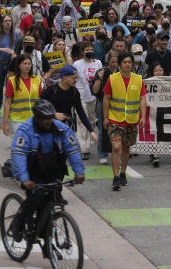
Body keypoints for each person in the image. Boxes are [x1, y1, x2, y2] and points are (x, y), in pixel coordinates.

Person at [8, 100, 86, 244]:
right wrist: (25, 180)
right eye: (45, 119)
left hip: (54, 170)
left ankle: (45, 239)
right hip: (33, 172)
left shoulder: (62, 129)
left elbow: (73, 149)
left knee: (52, 199)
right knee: (36, 197)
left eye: (50, 118)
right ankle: (17, 223)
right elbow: (18, 155)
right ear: (36, 118)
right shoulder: (25, 131)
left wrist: (79, 172)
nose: (48, 122)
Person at [102, 52, 147, 191]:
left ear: (132, 64)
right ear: (119, 64)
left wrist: (143, 117)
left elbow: (143, 99)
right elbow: (106, 99)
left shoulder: (138, 79)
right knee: (116, 147)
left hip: (132, 120)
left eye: (129, 62)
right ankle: (115, 177)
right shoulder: (112, 78)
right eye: (124, 62)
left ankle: (123, 173)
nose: (127, 64)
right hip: (115, 119)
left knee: (126, 148)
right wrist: (105, 117)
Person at [42, 65, 99, 146]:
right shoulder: (51, 90)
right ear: (64, 78)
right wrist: (54, 114)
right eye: (73, 78)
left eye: (77, 77)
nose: (76, 80)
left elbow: (81, 112)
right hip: (50, 128)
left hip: (66, 128)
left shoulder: (74, 92)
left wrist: (91, 131)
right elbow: (39, 108)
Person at [3, 54, 43, 136]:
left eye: (29, 64)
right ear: (19, 65)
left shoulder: (37, 79)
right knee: (22, 143)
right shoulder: (12, 81)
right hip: (17, 119)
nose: (27, 66)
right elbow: (7, 103)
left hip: (34, 119)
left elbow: (41, 100)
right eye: (25, 63)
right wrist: (5, 123)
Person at [0, 14, 18, 113]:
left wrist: (14, 54)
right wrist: (3, 49)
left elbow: (18, 48)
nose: (7, 22)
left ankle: (11, 106)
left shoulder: (15, 34)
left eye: (9, 21)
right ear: (2, 23)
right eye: (6, 21)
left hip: (11, 63)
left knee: (11, 85)